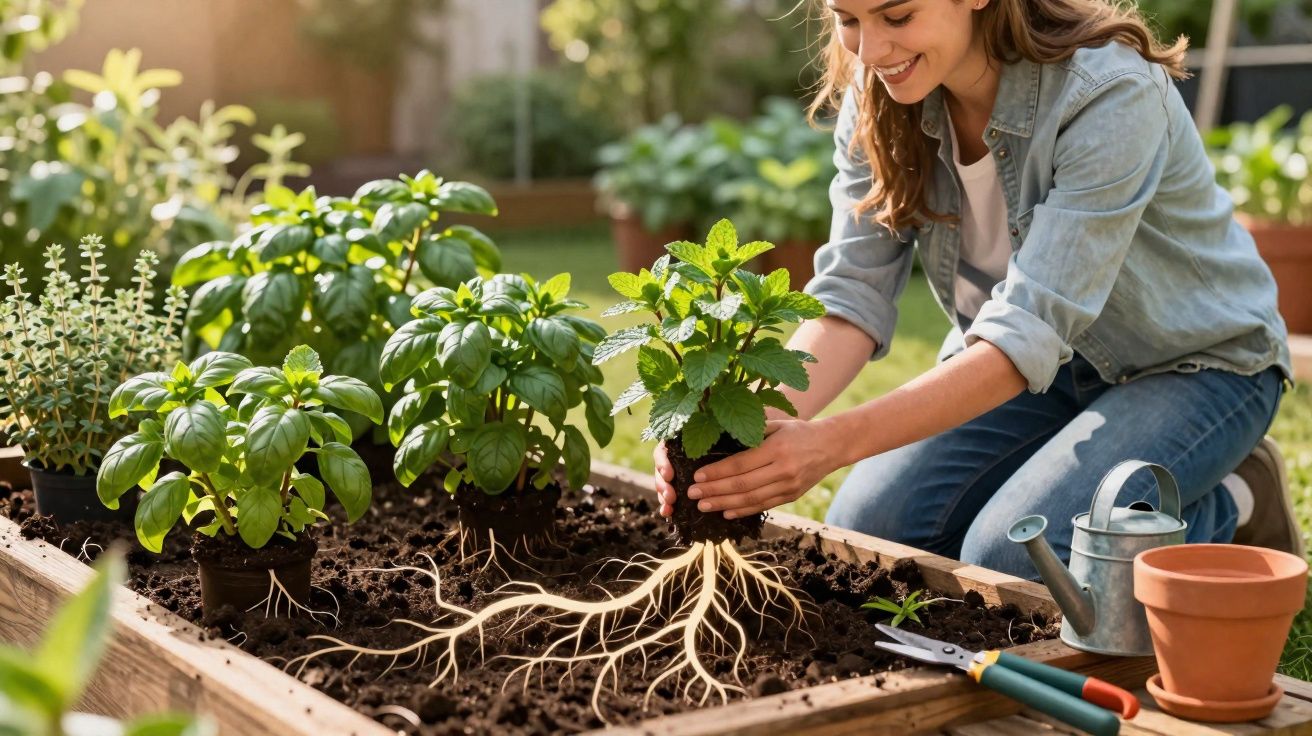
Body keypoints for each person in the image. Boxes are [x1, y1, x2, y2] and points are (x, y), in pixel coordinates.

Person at [652, 0, 1298, 578]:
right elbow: (851, 292)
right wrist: (737, 433)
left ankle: (1231, 503)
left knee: (1015, 557)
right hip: (1046, 374)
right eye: (848, 20)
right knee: (867, 529)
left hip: (1197, 367)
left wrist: (831, 443)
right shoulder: (882, 91)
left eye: (896, 17)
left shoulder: (1108, 92)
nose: (872, 51)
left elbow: (1026, 332)